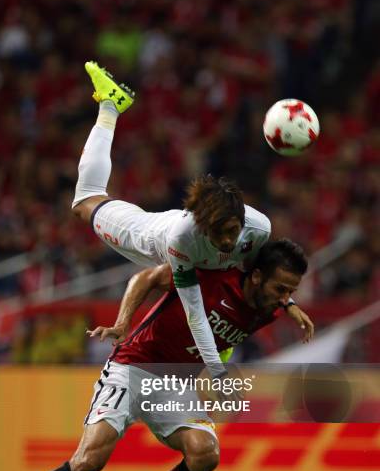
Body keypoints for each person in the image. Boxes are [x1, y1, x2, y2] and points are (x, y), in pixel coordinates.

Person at [0, 239, 312, 471]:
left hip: (175, 383)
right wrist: (122, 323)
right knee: (88, 462)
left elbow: (265, 304)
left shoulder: (269, 308)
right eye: (281, 289)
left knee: (205, 454)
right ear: (256, 276)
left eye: (290, 293)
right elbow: (146, 277)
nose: (285, 299)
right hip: (133, 366)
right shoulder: (212, 277)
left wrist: (289, 306)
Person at [72, 62, 311, 379]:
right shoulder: (182, 241)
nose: (229, 242)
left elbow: (263, 273)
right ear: (203, 227)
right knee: (86, 200)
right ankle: (111, 105)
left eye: (232, 233)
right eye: (219, 235)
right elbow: (194, 311)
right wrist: (216, 368)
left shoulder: (259, 229)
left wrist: (289, 304)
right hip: (151, 237)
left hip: (196, 262)